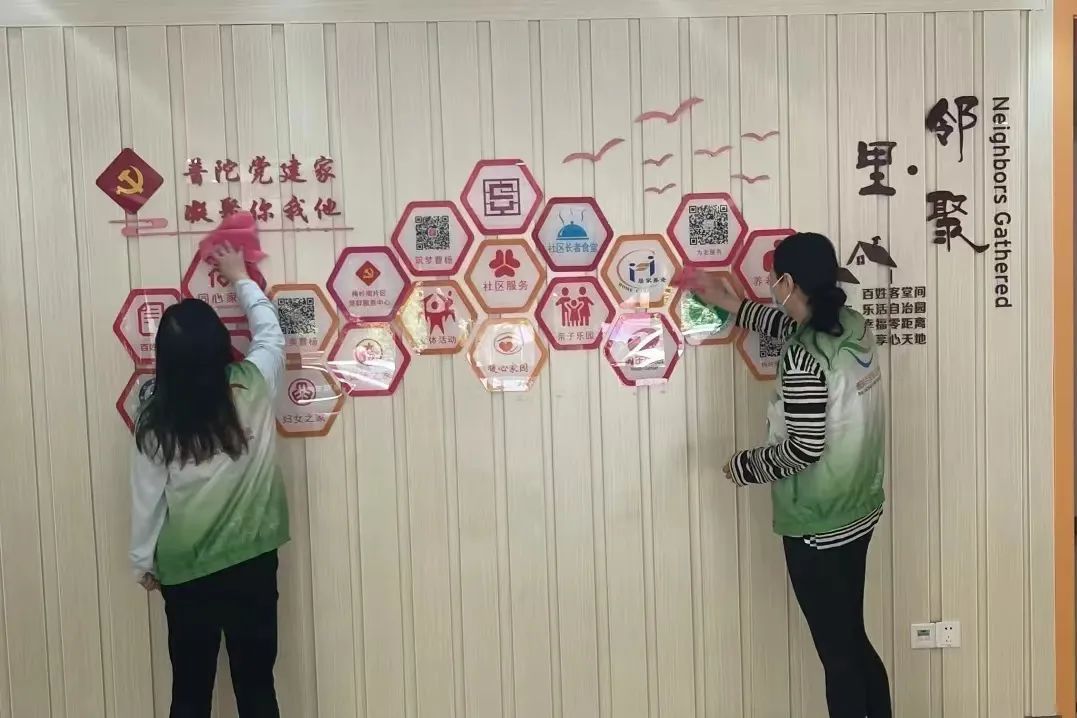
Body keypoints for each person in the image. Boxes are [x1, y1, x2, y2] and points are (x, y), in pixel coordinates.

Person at [684, 231, 891, 718]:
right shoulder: (853, 326)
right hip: (860, 511)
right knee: (853, 640)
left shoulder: (802, 357)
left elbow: (803, 449)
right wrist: (733, 305)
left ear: (788, 282)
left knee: (838, 658)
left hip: (818, 527)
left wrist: (742, 466)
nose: (771, 285)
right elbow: (795, 324)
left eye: (774, 278)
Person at [129, 215, 288, 718]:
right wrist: (240, 276)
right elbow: (270, 334)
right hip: (252, 562)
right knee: (257, 690)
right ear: (221, 344)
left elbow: (147, 496)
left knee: (190, 694)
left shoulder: (155, 416)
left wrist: (144, 562)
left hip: (187, 571)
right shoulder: (254, 385)